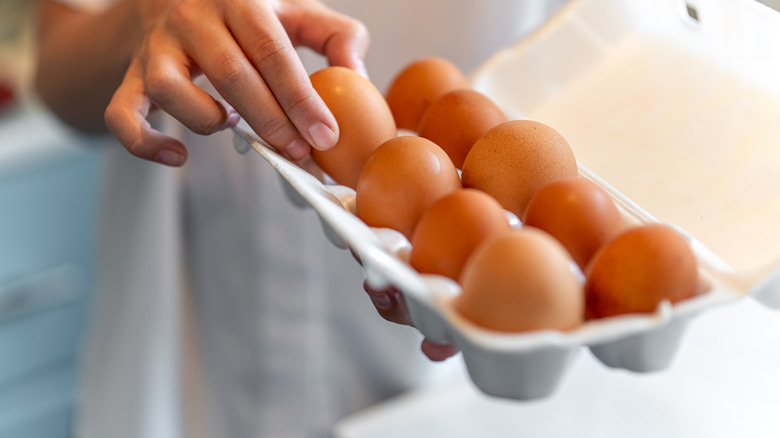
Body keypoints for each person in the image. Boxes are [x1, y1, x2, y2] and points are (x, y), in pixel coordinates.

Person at [34, 0, 564, 437]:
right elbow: (56, 74)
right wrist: (144, 16)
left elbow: (602, 68)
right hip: (183, 359)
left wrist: (490, 251)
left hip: (441, 387)